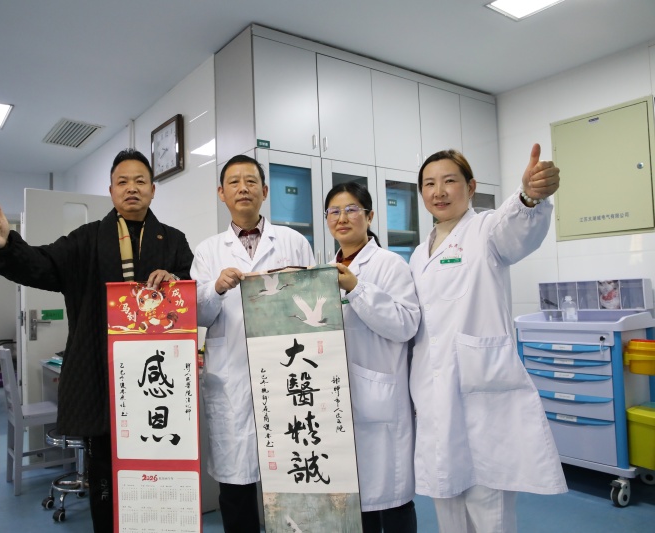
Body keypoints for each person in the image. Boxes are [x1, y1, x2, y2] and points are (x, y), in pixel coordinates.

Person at [0, 148, 193, 532]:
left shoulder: (174, 242)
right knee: (104, 475)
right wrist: (7, 244)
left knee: (157, 468)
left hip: (158, 382)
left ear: (153, 189)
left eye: (140, 181)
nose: (132, 188)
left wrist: (175, 282)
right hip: (101, 375)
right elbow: (42, 264)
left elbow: (191, 294)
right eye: (123, 182)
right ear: (111, 191)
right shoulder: (87, 240)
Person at [408, 144, 567, 533]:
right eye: (429, 184)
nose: (439, 191)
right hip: (433, 393)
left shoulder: (485, 231)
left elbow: (516, 230)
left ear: (471, 186)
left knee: (488, 507)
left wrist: (529, 197)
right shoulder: (417, 254)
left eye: (449, 181)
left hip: (481, 393)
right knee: (447, 504)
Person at [190, 154, 315, 532]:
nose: (242, 188)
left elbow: (316, 305)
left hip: (288, 373)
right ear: (221, 193)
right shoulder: (208, 251)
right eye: (234, 182)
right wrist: (215, 288)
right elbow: (198, 315)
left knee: (294, 474)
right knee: (237, 485)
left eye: (250, 181)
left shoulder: (293, 241)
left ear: (264, 191)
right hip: (233, 382)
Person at [324, 182, 420, 533]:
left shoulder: (391, 265)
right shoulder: (324, 270)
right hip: (336, 398)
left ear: (370, 216)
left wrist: (356, 289)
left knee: (391, 499)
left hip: (379, 396)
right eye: (334, 211)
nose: (342, 218)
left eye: (351, 209)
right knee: (354, 502)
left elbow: (405, 325)